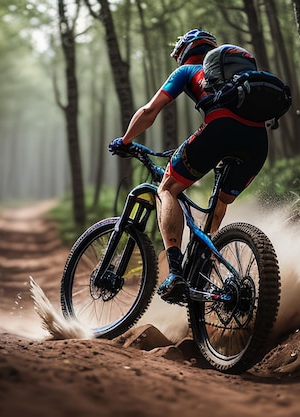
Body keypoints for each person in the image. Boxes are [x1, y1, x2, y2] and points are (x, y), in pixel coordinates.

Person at [108, 29, 269, 302]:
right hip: (257, 141)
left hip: (220, 128)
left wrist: (125, 140)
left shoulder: (187, 70)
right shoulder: (238, 77)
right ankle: (208, 270)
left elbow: (149, 111)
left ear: (184, 52)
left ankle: (176, 273)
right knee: (219, 205)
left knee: (167, 189)